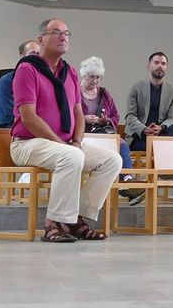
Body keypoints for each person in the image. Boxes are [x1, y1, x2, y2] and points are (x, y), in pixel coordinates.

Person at [10, 19, 122, 243]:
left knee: (112, 160)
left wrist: (77, 141)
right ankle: (53, 223)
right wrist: (62, 144)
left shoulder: (69, 72)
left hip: (64, 145)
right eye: (57, 33)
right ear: (41, 39)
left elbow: (78, 113)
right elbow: (29, 117)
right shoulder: (27, 69)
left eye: (67, 33)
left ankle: (76, 219)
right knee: (71, 156)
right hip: (27, 143)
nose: (63, 37)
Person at [79, 55, 139, 193]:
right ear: (84, 75)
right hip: (83, 135)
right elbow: (68, 116)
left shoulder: (104, 93)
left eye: (98, 77)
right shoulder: (75, 92)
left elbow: (116, 115)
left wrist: (107, 120)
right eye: (92, 76)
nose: (95, 81)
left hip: (102, 133)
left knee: (122, 143)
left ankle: (127, 179)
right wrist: (84, 118)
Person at [123, 52, 173, 151]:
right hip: (140, 136)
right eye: (156, 63)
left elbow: (172, 118)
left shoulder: (172, 91)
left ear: (166, 68)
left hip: (161, 134)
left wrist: (161, 127)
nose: (160, 66)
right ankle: (172, 159)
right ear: (149, 66)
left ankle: (171, 159)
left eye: (163, 64)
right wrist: (144, 129)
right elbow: (130, 116)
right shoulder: (136, 88)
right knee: (164, 148)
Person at [0, 40, 41, 129]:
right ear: (22, 57)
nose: (36, 57)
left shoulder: (41, 81)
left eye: (38, 54)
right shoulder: (7, 81)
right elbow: (8, 116)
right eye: (33, 53)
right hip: (11, 130)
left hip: (36, 129)